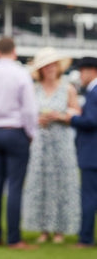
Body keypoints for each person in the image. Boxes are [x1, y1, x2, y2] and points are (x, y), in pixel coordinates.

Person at [0, 36, 39, 249]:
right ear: (15, 51)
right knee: (15, 186)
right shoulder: (21, 74)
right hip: (15, 131)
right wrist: (31, 133)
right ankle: (14, 238)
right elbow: (29, 109)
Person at [21, 47, 81, 244]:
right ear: (40, 69)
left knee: (62, 185)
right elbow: (27, 117)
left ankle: (60, 230)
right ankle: (44, 229)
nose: (50, 68)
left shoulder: (68, 88)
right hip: (40, 143)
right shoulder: (33, 89)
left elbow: (77, 115)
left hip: (62, 142)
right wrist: (39, 119)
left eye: (53, 65)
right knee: (41, 185)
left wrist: (61, 116)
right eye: (46, 66)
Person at [65, 56, 97, 248]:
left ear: (90, 71)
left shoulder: (94, 92)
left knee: (89, 197)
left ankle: (85, 238)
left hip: (92, 153)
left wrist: (73, 118)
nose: (80, 76)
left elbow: (92, 121)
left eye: (82, 71)